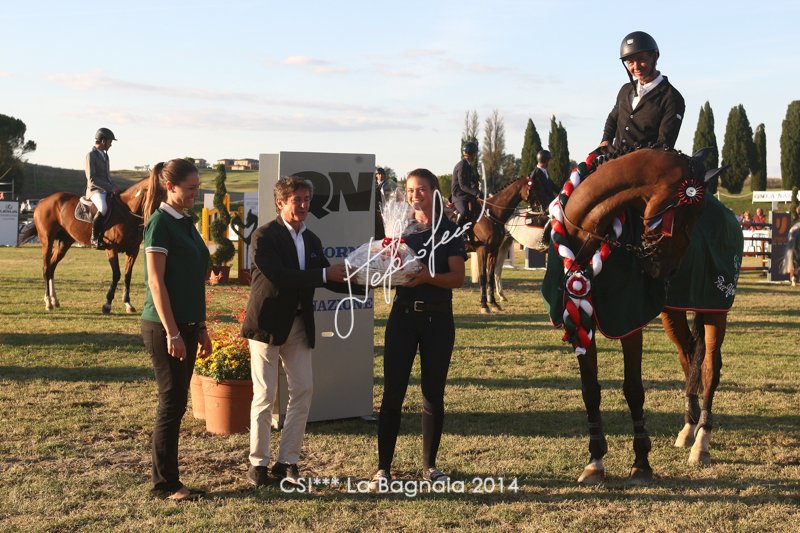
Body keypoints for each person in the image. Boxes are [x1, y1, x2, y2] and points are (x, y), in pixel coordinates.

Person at [241, 176, 348, 488]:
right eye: (296, 200)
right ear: (280, 203)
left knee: (303, 390)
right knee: (265, 395)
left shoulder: (311, 239)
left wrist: (369, 279)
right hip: (267, 325)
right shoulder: (263, 236)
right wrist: (324, 273)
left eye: (306, 200)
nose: (303, 205)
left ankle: (287, 461)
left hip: (300, 325)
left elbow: (328, 277)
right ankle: (258, 464)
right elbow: (280, 277)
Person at [369, 168, 467, 490]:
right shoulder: (399, 228)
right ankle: (383, 469)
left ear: (434, 191)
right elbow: (386, 268)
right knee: (392, 393)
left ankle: (430, 467)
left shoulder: (450, 230)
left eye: (421, 189)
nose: (414, 195)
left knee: (432, 394)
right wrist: (382, 261)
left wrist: (428, 278)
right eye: (410, 190)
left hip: (438, 320)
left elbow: (457, 278)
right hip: (403, 317)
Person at [140, 158, 211, 501]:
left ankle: (168, 480)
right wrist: (173, 332)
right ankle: (165, 484)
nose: (196, 193)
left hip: (188, 325)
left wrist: (201, 327)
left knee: (178, 402)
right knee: (171, 403)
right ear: (170, 187)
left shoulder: (186, 222)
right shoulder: (160, 224)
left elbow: (193, 281)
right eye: (191, 188)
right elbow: (156, 283)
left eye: (198, 187)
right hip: (164, 326)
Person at [599, 31, 685, 151]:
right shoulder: (625, 90)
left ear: (654, 57)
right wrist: (606, 139)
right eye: (630, 62)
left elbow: (664, 144)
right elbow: (613, 118)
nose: (636, 66)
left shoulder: (672, 98)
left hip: (644, 161)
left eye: (641, 59)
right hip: (614, 157)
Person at [85, 128, 119, 249]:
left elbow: (107, 177)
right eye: (110, 141)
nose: (111, 144)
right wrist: (110, 188)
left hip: (106, 190)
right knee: (103, 208)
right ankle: (94, 238)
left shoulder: (105, 156)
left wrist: (115, 186)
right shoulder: (91, 155)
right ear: (103, 141)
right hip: (95, 190)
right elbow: (92, 178)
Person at [451, 141, 481, 245]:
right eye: (475, 154)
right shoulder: (462, 165)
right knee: (464, 212)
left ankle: (470, 233)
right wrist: (476, 193)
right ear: (472, 154)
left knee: (478, 209)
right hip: (459, 195)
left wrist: (479, 191)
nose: (475, 156)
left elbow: (471, 182)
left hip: (466, 195)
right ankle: (457, 233)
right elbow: (463, 185)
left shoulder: (468, 165)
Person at [374, 167, 396, 239]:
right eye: (379, 174)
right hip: (375, 209)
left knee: (383, 226)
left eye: (382, 174)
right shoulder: (374, 184)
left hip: (384, 209)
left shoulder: (387, 184)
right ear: (376, 175)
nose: (380, 175)